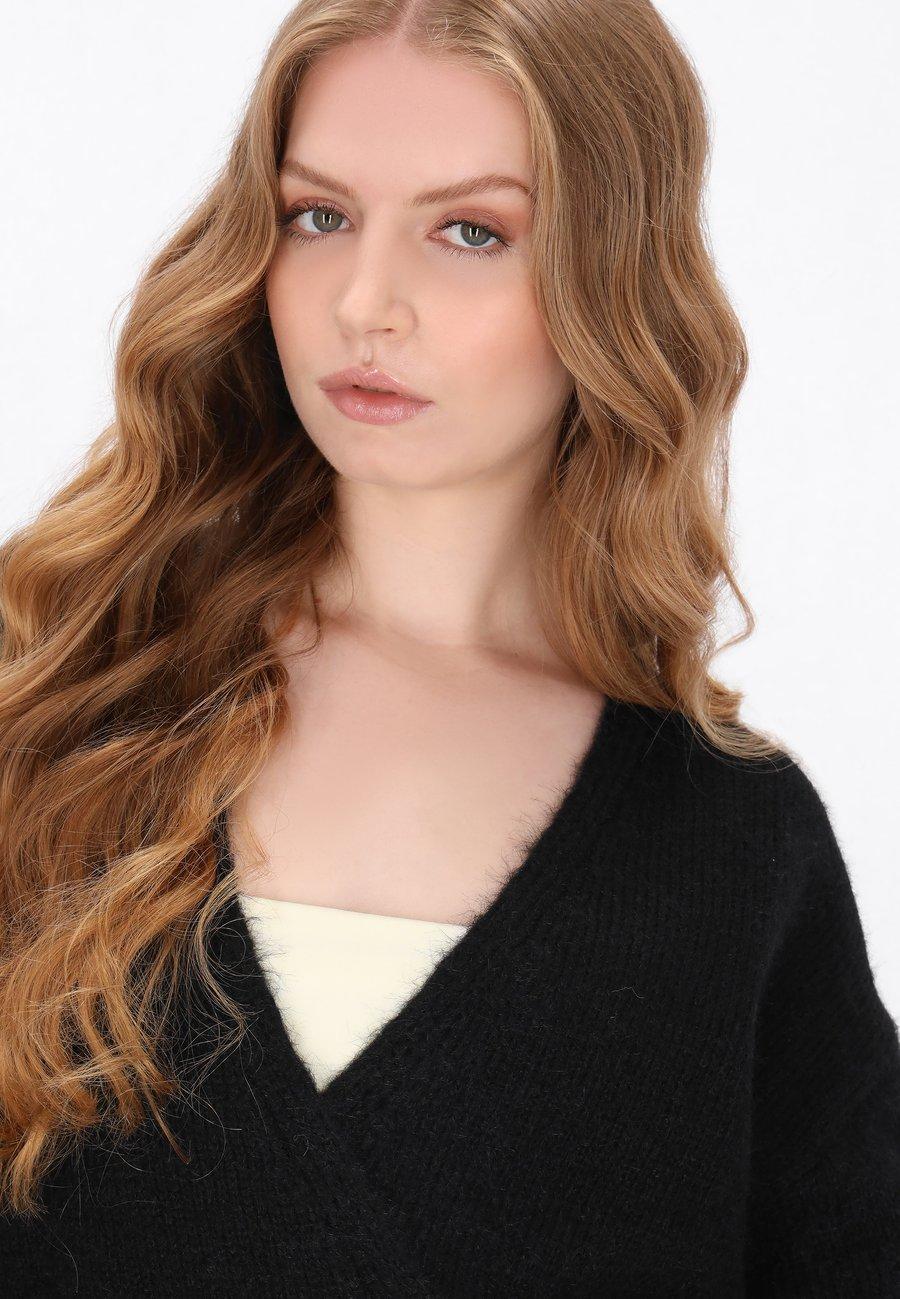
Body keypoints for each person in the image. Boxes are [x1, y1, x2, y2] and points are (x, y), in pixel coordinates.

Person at [1, 1, 898, 1294]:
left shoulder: (731, 846)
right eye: (318, 215)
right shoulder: (52, 707)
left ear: (611, 273)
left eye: (471, 232)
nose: (366, 302)